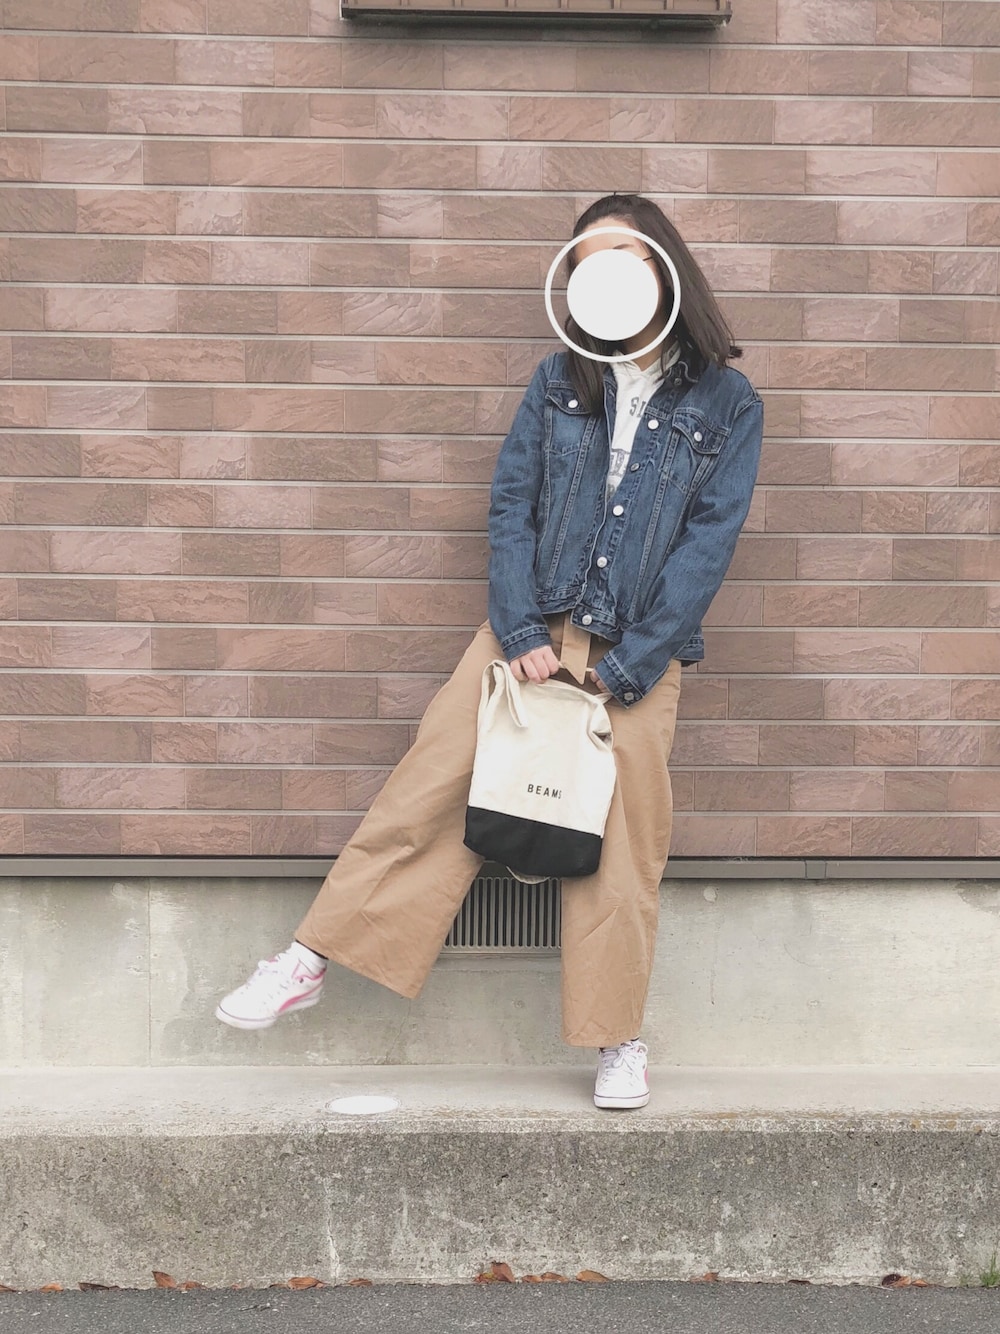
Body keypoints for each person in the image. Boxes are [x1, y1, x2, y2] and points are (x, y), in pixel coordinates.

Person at [215, 193, 763, 1111]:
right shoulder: (558, 379)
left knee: (623, 847)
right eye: (587, 263)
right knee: (427, 787)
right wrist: (518, 633)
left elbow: (709, 544)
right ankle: (309, 958)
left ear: (664, 266)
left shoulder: (727, 400)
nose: (606, 276)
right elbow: (512, 504)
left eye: (623, 256)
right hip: (528, 631)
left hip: (638, 652)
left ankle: (617, 1039)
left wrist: (630, 667)